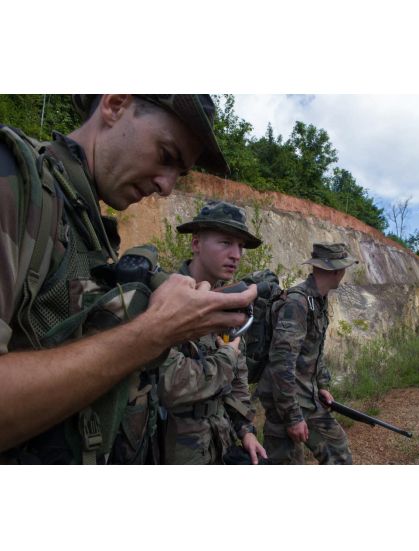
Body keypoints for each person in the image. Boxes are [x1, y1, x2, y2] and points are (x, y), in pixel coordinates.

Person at [0, 94, 257, 464]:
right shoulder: (15, 180)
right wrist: (153, 332)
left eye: (180, 173)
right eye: (166, 155)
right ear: (115, 103)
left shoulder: (84, 223)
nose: (167, 186)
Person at [158, 201, 267, 464]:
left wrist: (246, 431)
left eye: (240, 246)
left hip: (221, 439)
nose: (236, 255)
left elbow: (238, 379)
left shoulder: (228, 301)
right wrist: (227, 355)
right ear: (196, 244)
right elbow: (171, 384)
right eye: (226, 242)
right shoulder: (166, 298)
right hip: (178, 449)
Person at [257, 243, 356, 464]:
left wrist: (321, 384)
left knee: (339, 455)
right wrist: (292, 417)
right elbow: (281, 363)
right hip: (285, 403)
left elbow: (313, 349)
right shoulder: (297, 303)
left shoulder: (317, 300)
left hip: (307, 398)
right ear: (337, 271)